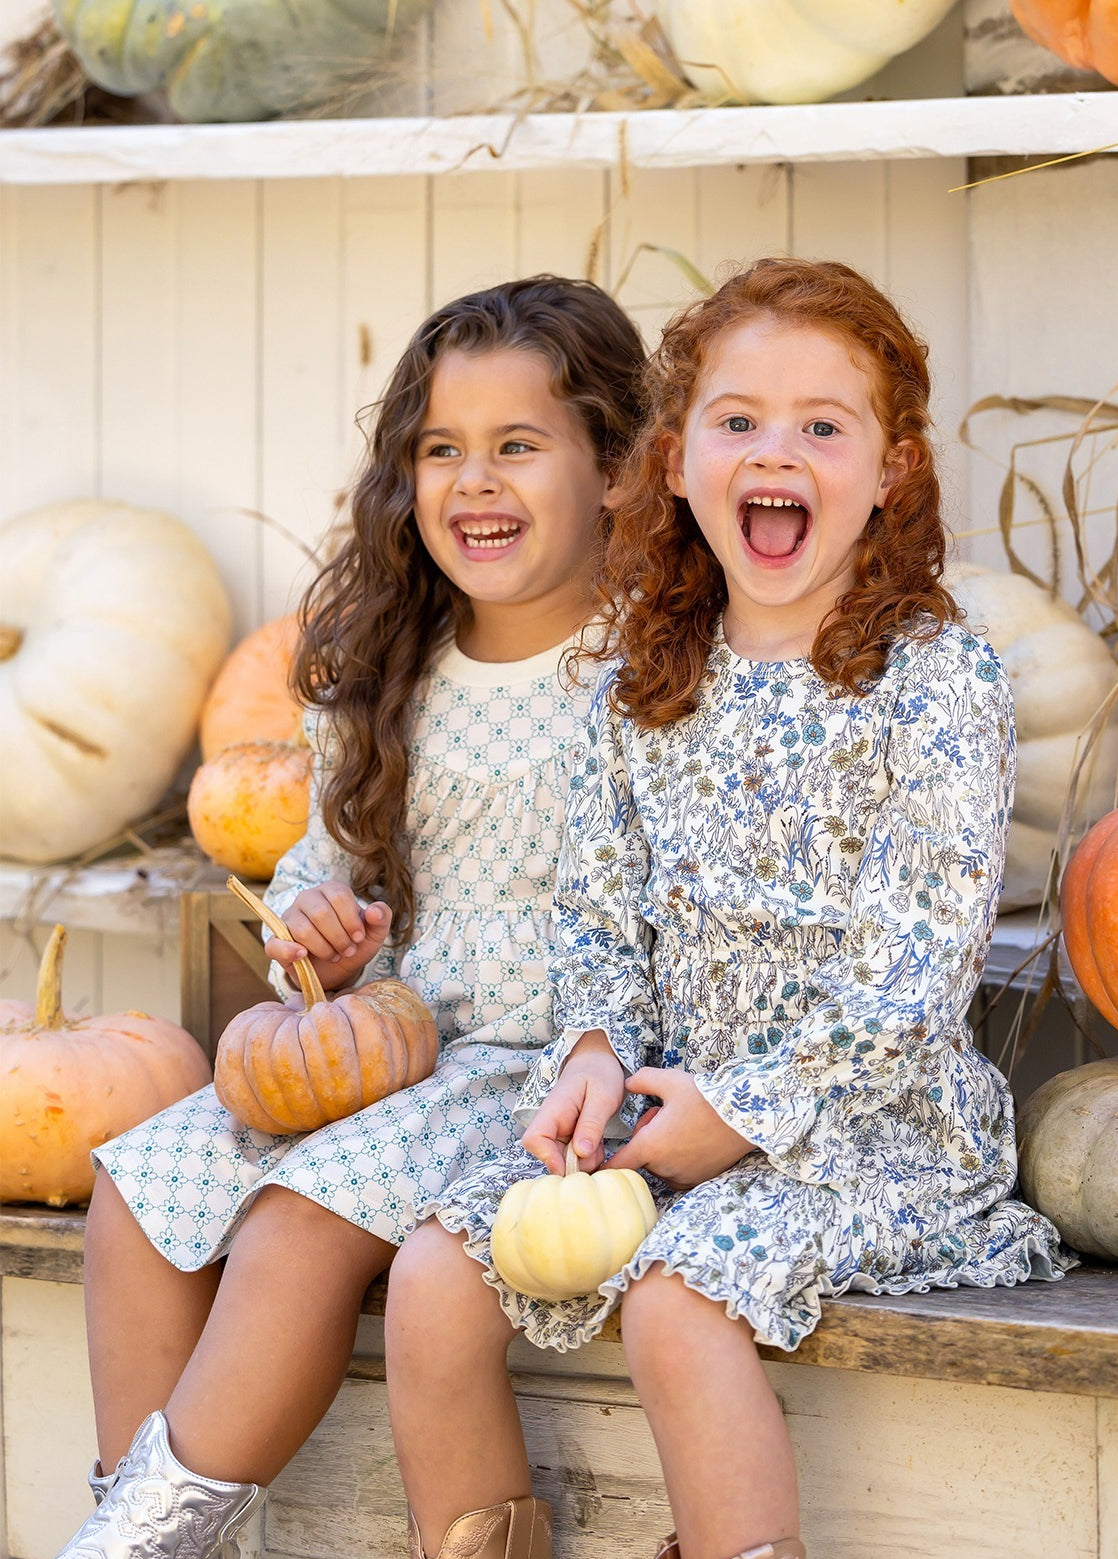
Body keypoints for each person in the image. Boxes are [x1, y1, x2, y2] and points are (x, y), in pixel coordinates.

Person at [385, 257, 1073, 1559]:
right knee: (432, 1278)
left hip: (873, 1131)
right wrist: (592, 1049)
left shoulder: (932, 679)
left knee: (674, 1299)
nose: (778, 449)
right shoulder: (642, 679)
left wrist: (744, 1109)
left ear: (893, 471)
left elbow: (914, 968)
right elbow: (596, 912)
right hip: (667, 1111)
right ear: (678, 457)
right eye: (739, 418)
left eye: (825, 425)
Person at [57, 274, 646, 1559]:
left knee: (295, 1219)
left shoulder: (650, 667)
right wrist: (320, 929)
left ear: (614, 468)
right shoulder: (389, 666)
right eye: (442, 450)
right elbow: (333, 873)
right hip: (390, 1040)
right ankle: (143, 1530)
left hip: (548, 1064)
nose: (474, 482)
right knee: (138, 1186)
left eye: (517, 447)